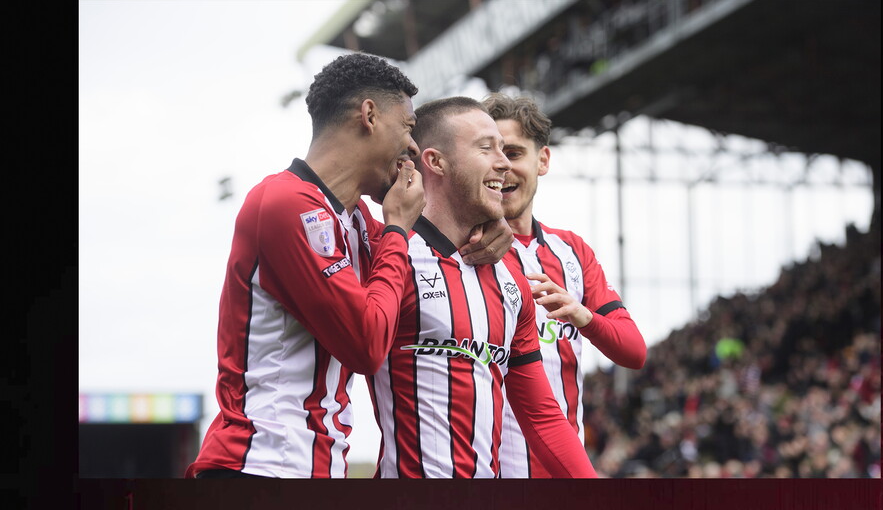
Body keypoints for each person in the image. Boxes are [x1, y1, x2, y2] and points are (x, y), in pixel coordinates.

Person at [186, 53, 509, 479]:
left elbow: (428, 254)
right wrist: (395, 227)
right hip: (259, 465)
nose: (412, 147)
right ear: (369, 116)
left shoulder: (358, 222)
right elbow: (365, 346)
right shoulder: (284, 203)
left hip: (318, 469)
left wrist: (490, 225)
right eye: (408, 127)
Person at [368, 96, 597, 478]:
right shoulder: (388, 251)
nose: (504, 163)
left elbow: (542, 418)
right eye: (486, 148)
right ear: (435, 161)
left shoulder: (511, 280)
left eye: (506, 150)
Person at [482, 92, 647, 478]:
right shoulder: (462, 253)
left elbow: (634, 352)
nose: (503, 167)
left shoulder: (571, 251)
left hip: (566, 472)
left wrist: (582, 316)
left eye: (515, 153)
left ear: (543, 160)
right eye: (492, 155)